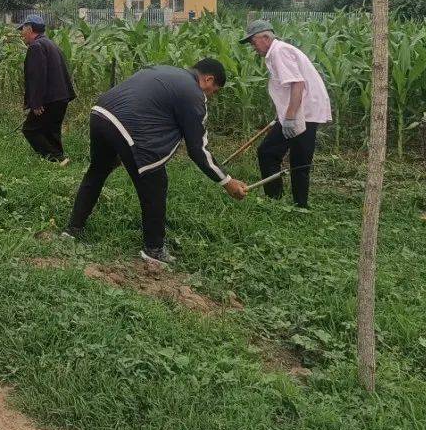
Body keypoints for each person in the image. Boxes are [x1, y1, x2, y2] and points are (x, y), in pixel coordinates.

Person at [65, 59, 248, 265]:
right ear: (208, 79)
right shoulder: (193, 94)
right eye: (213, 91)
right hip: (129, 126)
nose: (210, 96)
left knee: (97, 171)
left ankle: (73, 229)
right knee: (155, 183)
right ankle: (154, 248)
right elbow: (197, 150)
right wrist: (227, 181)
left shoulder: (166, 71)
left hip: (101, 114)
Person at [240, 20, 331, 209]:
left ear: (266, 37)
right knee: (271, 153)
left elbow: (298, 84)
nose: (252, 46)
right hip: (300, 111)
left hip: (304, 113)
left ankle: (296, 206)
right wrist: (283, 114)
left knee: (293, 160)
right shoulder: (277, 51)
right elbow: (288, 87)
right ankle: (278, 200)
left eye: (253, 41)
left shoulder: (279, 51)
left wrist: (289, 117)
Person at [18, 14, 76, 163]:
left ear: (30, 29)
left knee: (30, 130)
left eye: (22, 29)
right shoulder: (50, 44)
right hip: (61, 97)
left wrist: (36, 103)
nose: (21, 34)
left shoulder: (36, 47)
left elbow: (37, 76)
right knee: (52, 131)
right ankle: (60, 159)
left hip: (49, 99)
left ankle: (55, 158)